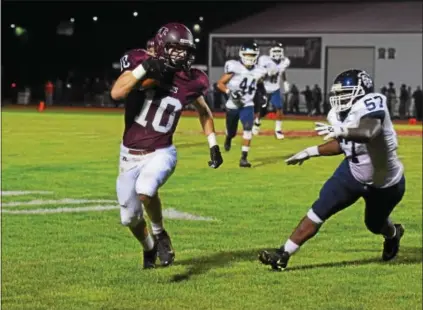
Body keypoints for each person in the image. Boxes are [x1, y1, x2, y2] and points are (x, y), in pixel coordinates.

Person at [259, 69, 405, 271]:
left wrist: (340, 130)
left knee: (374, 224)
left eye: (345, 92)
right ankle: (283, 254)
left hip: (385, 182)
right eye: (338, 93)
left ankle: (393, 234)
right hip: (352, 172)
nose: (339, 98)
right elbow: (343, 144)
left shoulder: (372, 103)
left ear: (362, 91)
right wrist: (310, 151)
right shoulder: (336, 114)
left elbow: (369, 132)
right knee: (319, 210)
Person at [110, 23, 223, 269]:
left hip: (162, 152)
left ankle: (161, 233)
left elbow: (204, 112)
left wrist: (212, 144)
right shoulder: (142, 62)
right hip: (129, 154)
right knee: (129, 218)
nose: (181, 55)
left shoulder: (192, 80)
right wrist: (144, 69)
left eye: (185, 50)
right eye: (175, 49)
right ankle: (149, 248)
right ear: (161, 47)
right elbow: (117, 93)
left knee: (145, 189)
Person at [217, 42, 267, 168]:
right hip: (233, 105)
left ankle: (244, 158)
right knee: (231, 132)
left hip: (247, 104)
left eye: (252, 55)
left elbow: (259, 84)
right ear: (241, 54)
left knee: (248, 128)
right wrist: (230, 92)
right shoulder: (234, 67)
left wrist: (263, 95)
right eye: (247, 54)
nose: (249, 57)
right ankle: (228, 137)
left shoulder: (259, 70)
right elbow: (220, 84)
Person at [253, 43, 290, 139]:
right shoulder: (264, 60)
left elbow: (282, 71)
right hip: (264, 88)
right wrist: (266, 74)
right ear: (271, 52)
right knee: (262, 110)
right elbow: (259, 75)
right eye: (275, 51)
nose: (277, 54)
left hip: (275, 89)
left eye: (279, 51)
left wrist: (285, 82)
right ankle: (257, 122)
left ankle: (278, 130)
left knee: (279, 108)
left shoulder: (284, 61)